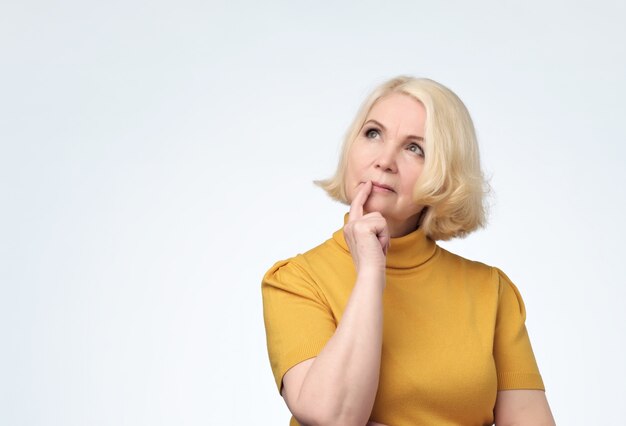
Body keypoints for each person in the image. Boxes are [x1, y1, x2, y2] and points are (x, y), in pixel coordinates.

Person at [261, 76, 555, 426]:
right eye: (373, 133)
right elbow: (332, 416)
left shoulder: (491, 291)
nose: (385, 160)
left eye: (415, 148)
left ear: (446, 175)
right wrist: (371, 274)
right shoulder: (295, 280)